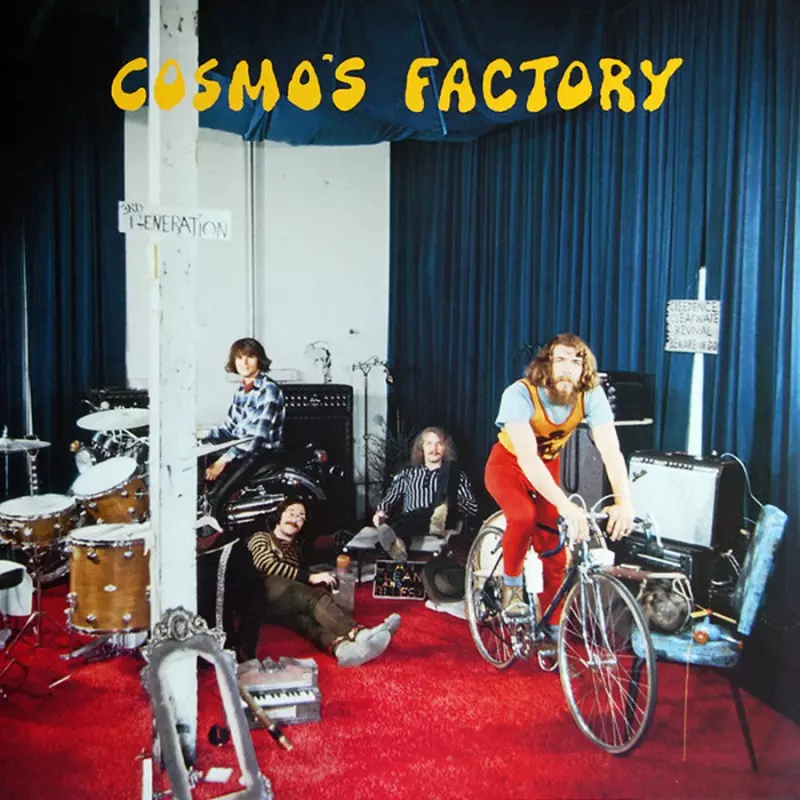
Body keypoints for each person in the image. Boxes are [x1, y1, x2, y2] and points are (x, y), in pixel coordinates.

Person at [484, 333, 635, 623]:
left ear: (584, 369)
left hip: (547, 467)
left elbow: (611, 450)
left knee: (554, 547)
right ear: (547, 364)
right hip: (508, 465)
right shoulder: (519, 394)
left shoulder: (589, 394)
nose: (568, 369)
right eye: (560, 360)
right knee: (523, 516)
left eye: (576, 362)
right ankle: (511, 589)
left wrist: (624, 501)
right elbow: (528, 458)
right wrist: (566, 505)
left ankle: (553, 624)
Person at [247, 498, 401, 667]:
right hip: (261, 594)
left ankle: (343, 649)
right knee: (310, 597)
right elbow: (266, 565)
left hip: (279, 607)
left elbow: (301, 577)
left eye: (301, 517)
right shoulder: (261, 537)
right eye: (291, 513)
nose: (295, 519)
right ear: (279, 515)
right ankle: (359, 633)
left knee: (306, 621)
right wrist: (311, 578)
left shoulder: (295, 550)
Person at [198, 337, 285, 526]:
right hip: (241, 449)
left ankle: (215, 533)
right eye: (239, 357)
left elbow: (256, 437)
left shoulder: (268, 390)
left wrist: (223, 461)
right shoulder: (241, 391)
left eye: (250, 357)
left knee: (216, 497)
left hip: (260, 452)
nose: (244, 363)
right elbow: (230, 428)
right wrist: (202, 434)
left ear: (259, 359)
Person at [369, 426, 478, 562]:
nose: (434, 449)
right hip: (410, 522)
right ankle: (397, 549)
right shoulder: (408, 474)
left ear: (446, 448)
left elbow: (472, 508)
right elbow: (389, 499)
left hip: (443, 523)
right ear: (421, 447)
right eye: (429, 443)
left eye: (439, 444)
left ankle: (438, 512)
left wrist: (453, 498)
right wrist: (380, 512)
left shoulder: (457, 476)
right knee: (406, 520)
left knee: (449, 475)